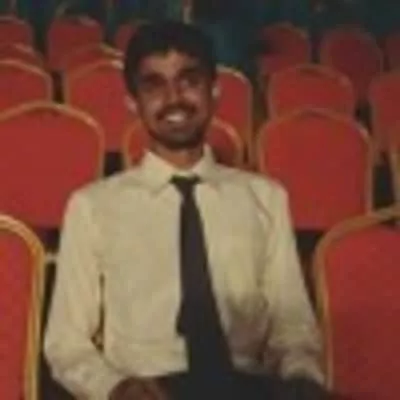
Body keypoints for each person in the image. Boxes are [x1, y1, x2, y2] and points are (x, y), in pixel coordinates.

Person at [44, 21, 329, 400]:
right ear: (132, 102)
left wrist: (301, 379)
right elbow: (66, 343)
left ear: (214, 91)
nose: (174, 98)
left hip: (246, 387)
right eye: (154, 85)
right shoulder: (92, 207)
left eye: (189, 81)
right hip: (147, 389)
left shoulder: (265, 198)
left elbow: (292, 325)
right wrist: (115, 388)